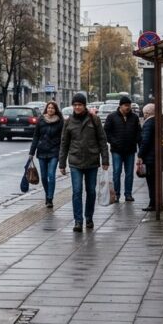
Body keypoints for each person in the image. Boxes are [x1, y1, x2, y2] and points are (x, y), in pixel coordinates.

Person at [59, 93, 110, 232]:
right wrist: (62, 163)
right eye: (75, 105)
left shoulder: (94, 120)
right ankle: (78, 221)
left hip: (92, 161)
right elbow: (64, 143)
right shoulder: (68, 122)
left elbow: (102, 141)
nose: (77, 107)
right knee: (77, 191)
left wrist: (105, 159)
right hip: (75, 161)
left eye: (79, 105)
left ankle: (89, 218)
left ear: (84, 105)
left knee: (91, 191)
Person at [103, 96, 142, 203]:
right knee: (117, 172)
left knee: (129, 173)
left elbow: (138, 133)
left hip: (130, 150)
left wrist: (139, 148)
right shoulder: (112, 117)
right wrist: (113, 141)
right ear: (120, 106)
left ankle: (128, 194)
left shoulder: (134, 117)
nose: (128, 107)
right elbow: (106, 132)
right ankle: (116, 194)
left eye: (129, 105)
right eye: (126, 105)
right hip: (117, 150)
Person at [29, 100, 64, 208]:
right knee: (44, 177)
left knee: (51, 175)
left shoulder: (60, 121)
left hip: (54, 151)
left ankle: (50, 198)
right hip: (42, 151)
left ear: (55, 110)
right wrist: (31, 152)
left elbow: (63, 138)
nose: (50, 109)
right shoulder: (41, 120)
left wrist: (61, 151)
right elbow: (36, 136)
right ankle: (47, 193)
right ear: (46, 109)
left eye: (52, 108)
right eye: (49, 108)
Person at [137, 103, 157, 211]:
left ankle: (152, 203)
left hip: (150, 157)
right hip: (155, 156)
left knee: (151, 181)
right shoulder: (156, 121)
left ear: (147, 113)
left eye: (144, 113)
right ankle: (154, 202)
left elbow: (145, 141)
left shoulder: (149, 123)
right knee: (154, 181)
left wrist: (140, 155)